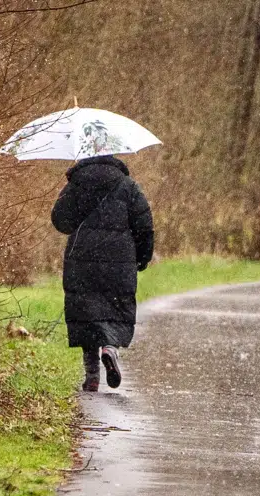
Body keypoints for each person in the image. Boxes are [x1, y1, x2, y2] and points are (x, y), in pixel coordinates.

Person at [51, 155, 155, 392]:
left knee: (86, 314)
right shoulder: (128, 186)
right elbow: (145, 226)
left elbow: (60, 221)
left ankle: (92, 376)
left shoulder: (76, 184)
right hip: (119, 260)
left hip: (82, 259)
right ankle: (110, 348)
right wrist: (142, 257)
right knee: (113, 308)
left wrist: (72, 201)